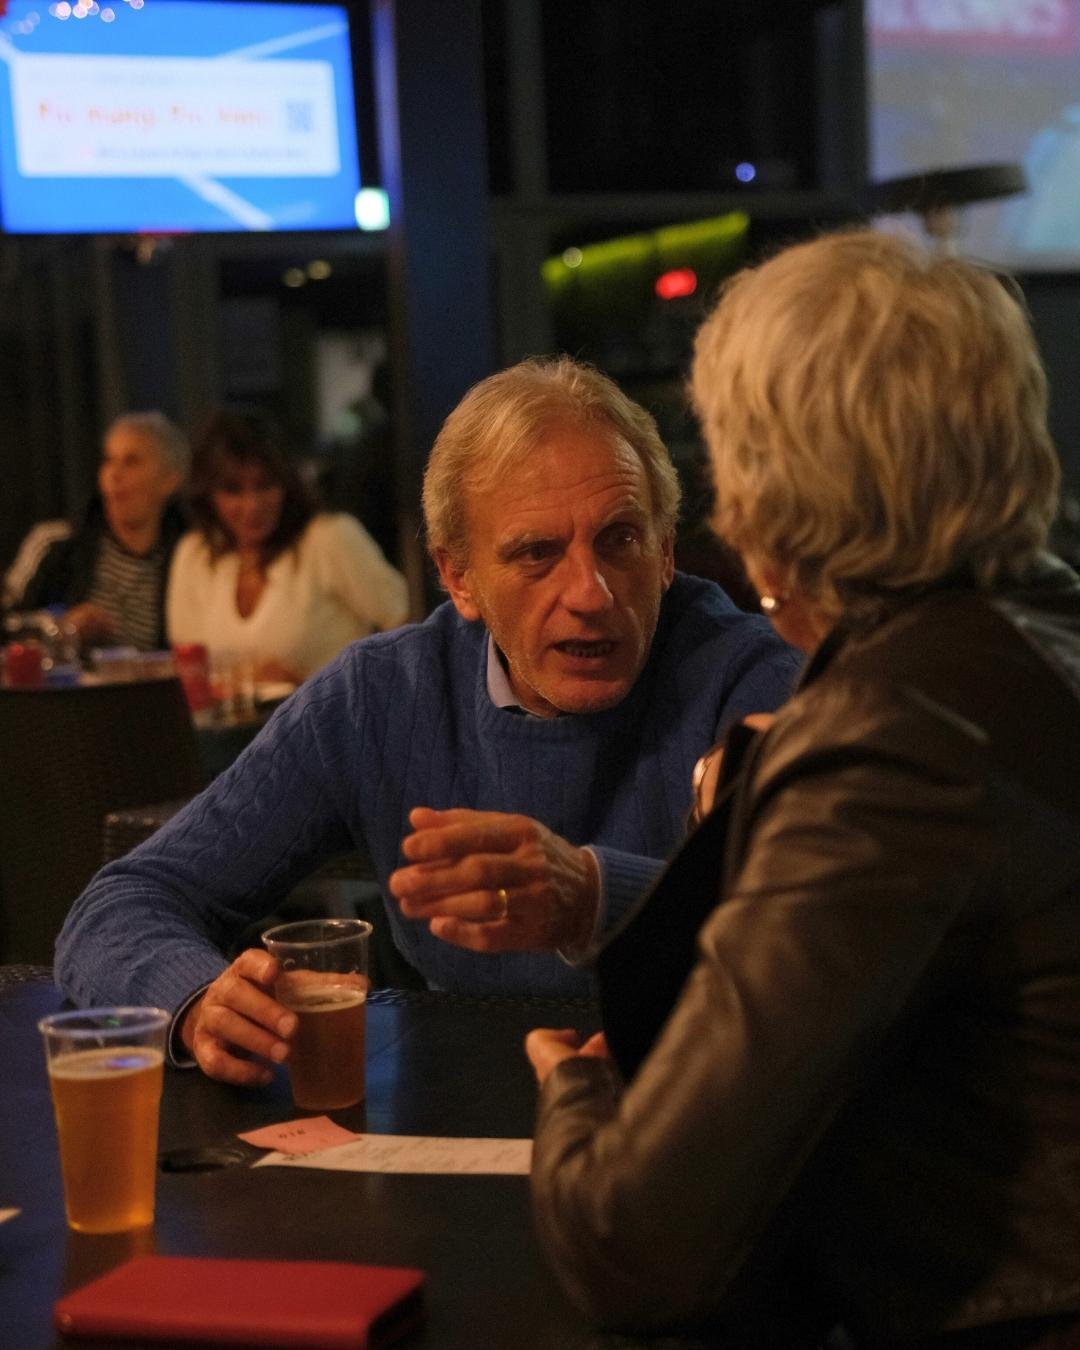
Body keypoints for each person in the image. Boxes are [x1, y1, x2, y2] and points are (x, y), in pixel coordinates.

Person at [526, 231, 1080, 1348]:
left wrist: (574, 1093)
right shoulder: (1042, 633)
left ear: (765, 491)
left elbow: (634, 1243)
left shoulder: (892, 746)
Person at [54, 356, 800, 1088]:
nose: (591, 593)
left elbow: (827, 938)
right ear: (458, 578)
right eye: (537, 554)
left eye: (620, 539)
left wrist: (594, 899)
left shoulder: (755, 678)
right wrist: (197, 1001)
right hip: (457, 1108)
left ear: (666, 552)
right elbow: (120, 905)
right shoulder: (383, 695)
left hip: (708, 1102)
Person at [166, 407, 408, 685]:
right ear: (208, 495)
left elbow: (408, 627)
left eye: (265, 485)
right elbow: (188, 671)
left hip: (332, 711)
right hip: (230, 715)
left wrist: (310, 689)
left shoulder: (329, 538)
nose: (252, 505)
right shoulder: (194, 554)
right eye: (233, 490)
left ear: (287, 485)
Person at [19, 411, 188, 650]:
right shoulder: (57, 542)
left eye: (131, 462)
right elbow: (10, 625)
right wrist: (63, 629)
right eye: (109, 461)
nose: (114, 475)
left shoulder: (189, 554)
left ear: (169, 480)